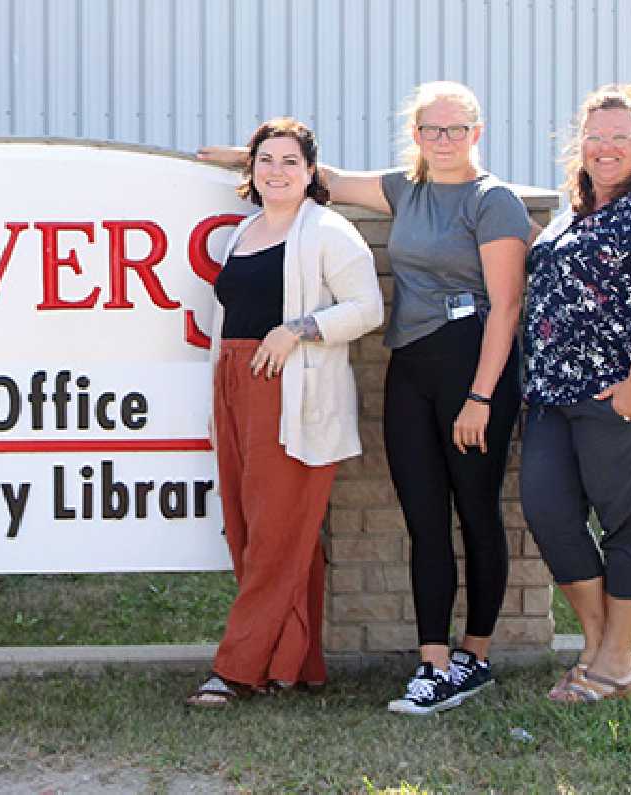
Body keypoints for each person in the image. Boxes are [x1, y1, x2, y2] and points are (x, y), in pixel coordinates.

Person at [200, 81, 531, 714]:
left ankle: (476, 654)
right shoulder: (406, 189)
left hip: (472, 365)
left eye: (455, 129)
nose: (442, 140)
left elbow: (506, 305)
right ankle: (432, 663)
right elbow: (317, 175)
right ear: (415, 135)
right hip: (410, 365)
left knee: (478, 512)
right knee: (424, 518)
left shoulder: (494, 202)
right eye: (431, 129)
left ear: (476, 134)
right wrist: (243, 159)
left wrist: (482, 396)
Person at [185, 118, 382, 706]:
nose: (277, 171)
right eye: (266, 160)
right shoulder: (244, 232)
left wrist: (298, 329)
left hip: (292, 394)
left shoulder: (327, 230)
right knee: (253, 529)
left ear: (311, 172)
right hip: (236, 387)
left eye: (290, 162)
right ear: (251, 171)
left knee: (277, 532)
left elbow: (367, 307)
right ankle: (291, 662)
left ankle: (237, 668)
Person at [521, 84, 631, 703]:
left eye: (620, 137)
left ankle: (614, 664)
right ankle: (602, 647)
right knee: (549, 514)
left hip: (624, 393)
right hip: (551, 396)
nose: (605, 147)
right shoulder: (573, 215)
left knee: (627, 522)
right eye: (595, 136)